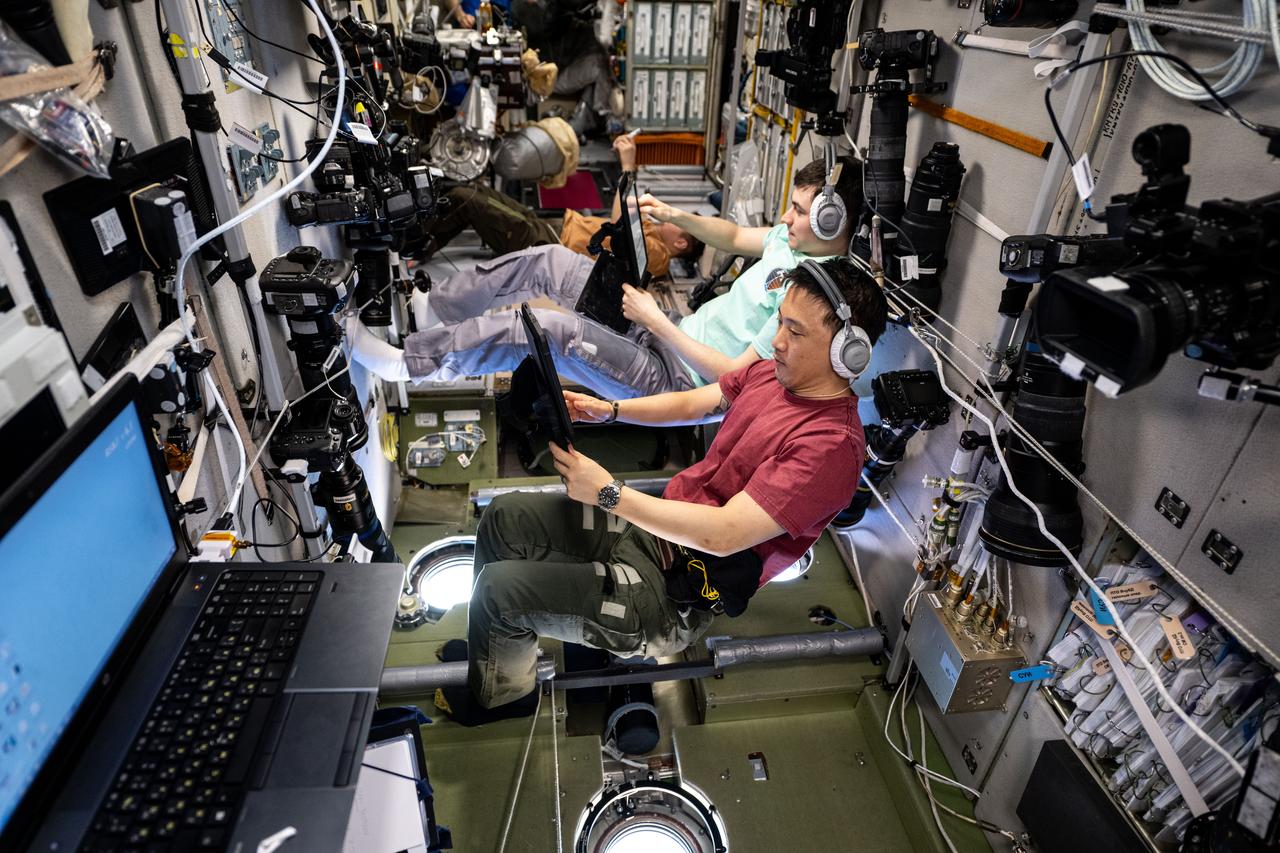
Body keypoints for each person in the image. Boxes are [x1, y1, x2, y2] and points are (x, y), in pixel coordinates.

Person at [461, 257, 889, 709]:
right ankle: (497, 654)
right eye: (781, 322)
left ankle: (502, 700)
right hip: (651, 529)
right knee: (503, 518)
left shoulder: (831, 448)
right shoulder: (772, 375)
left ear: (848, 351)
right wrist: (609, 410)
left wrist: (610, 493)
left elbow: (723, 535)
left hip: (670, 593)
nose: (778, 341)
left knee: (498, 595)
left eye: (796, 332)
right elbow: (695, 403)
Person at [346, 155, 862, 402]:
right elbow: (728, 235)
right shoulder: (785, 240)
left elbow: (733, 378)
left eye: (798, 212)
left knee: (546, 330)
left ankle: (407, 366)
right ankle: (436, 310)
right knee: (548, 259)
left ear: (830, 224)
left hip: (677, 379)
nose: (786, 219)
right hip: (668, 330)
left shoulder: (810, 302)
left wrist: (658, 323)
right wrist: (674, 215)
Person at [426, 135, 697, 276]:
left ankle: (416, 245)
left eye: (678, 222)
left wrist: (628, 166)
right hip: (548, 229)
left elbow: (618, 229)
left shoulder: (658, 257)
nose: (671, 216)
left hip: (548, 245)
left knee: (467, 199)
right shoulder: (651, 229)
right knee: (475, 190)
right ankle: (420, 221)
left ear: (681, 244)